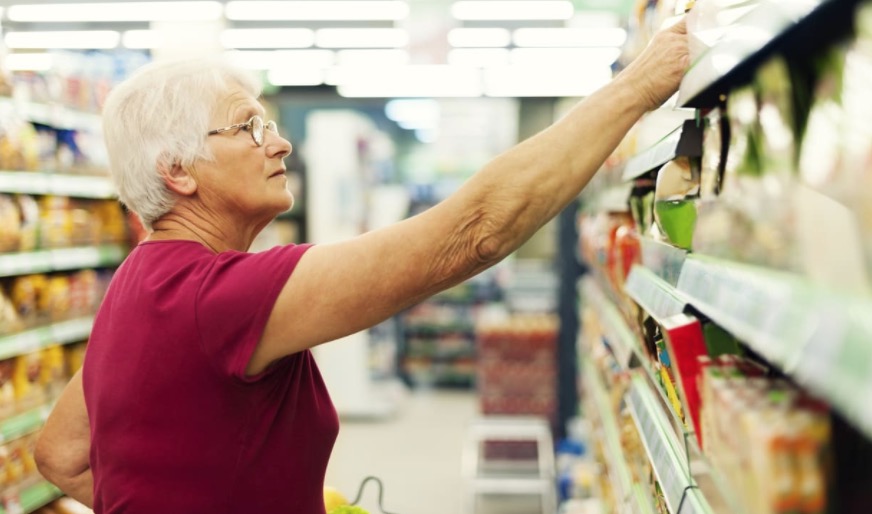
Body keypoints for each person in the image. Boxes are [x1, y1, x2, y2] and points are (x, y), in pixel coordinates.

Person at [34, 17, 689, 514]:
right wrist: (640, 84)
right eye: (249, 128)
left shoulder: (136, 285)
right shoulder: (221, 298)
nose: (280, 141)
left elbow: (60, 454)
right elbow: (477, 231)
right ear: (176, 172)